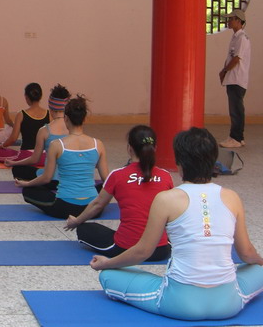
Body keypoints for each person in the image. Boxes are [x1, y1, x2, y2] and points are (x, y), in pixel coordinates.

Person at [91, 128, 263, 322]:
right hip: (228, 303)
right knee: (259, 269)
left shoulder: (166, 199)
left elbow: (142, 252)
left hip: (180, 303)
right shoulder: (232, 197)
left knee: (108, 275)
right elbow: (247, 254)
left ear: (179, 163)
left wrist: (107, 263)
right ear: (214, 160)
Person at [65, 125, 173, 261]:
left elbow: (97, 205)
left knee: (84, 229)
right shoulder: (166, 176)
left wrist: (76, 221)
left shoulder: (117, 175)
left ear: (129, 148)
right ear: (155, 148)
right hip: (160, 251)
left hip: (126, 249)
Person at [15, 95, 109, 219]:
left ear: (66, 119)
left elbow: (46, 178)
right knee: (101, 187)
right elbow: (107, 181)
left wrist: (27, 184)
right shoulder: (98, 144)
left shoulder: (56, 145)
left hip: (65, 207)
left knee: (29, 191)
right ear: (84, 118)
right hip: (92, 208)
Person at [0, 84, 70, 180]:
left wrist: (13, 161)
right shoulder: (71, 129)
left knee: (17, 169)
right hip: (64, 175)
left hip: (46, 174)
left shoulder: (43, 130)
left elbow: (15, 139)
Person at [0, 82, 49, 161]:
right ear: (41, 96)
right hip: (44, 157)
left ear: (26, 97)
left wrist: (1, 145)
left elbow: (13, 138)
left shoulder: (21, 114)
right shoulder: (49, 114)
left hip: (27, 156)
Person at [218, 9, 250, 148]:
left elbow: (236, 59)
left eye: (231, 19)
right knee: (235, 109)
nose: (228, 21)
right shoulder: (235, 37)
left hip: (237, 79)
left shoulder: (242, 38)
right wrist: (224, 72)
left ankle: (236, 138)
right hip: (233, 78)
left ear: (238, 20)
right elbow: (231, 57)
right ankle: (238, 137)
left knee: (236, 110)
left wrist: (224, 71)